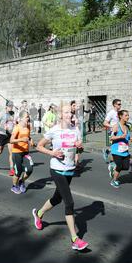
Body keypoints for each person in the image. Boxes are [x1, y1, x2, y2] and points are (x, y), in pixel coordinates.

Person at [32, 104, 89, 251]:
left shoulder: (75, 129)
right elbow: (38, 146)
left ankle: (38, 214)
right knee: (69, 202)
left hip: (69, 170)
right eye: (66, 112)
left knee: (57, 198)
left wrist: (80, 146)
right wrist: (53, 153)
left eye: (71, 112)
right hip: (57, 169)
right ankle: (75, 239)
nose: (70, 114)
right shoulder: (54, 130)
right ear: (61, 115)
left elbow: (78, 147)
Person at [9, 112, 35, 194]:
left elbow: (28, 136)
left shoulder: (28, 126)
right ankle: (14, 186)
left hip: (25, 152)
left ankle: (21, 181)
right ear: (21, 118)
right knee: (18, 172)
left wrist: (31, 141)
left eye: (28, 117)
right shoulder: (17, 127)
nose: (28, 118)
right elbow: (11, 140)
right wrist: (21, 140)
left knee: (30, 169)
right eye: (27, 117)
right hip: (17, 153)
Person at [0, 101, 15, 176]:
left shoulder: (12, 113)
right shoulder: (1, 114)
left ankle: (12, 169)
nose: (11, 107)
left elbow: (13, 122)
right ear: (6, 106)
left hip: (10, 135)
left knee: (11, 152)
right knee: (0, 151)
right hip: (2, 134)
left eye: (12, 106)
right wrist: (2, 126)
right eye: (9, 106)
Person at [108, 110, 132, 188]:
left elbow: (126, 136)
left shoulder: (127, 126)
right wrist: (120, 137)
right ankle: (114, 180)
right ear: (120, 116)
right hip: (116, 150)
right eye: (126, 115)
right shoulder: (116, 126)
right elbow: (111, 138)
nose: (128, 117)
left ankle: (112, 166)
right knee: (119, 166)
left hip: (125, 150)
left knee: (126, 167)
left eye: (128, 115)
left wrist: (130, 139)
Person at [103, 99, 122, 165]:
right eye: (118, 104)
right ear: (114, 105)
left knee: (118, 146)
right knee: (115, 148)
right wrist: (112, 126)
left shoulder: (119, 112)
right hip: (112, 132)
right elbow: (105, 123)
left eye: (120, 104)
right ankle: (112, 163)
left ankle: (107, 151)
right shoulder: (111, 112)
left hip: (119, 132)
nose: (120, 105)